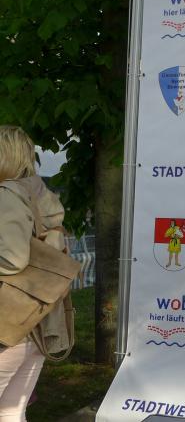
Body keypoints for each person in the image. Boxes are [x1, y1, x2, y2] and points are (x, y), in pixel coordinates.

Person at [0, 125, 71, 421]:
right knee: (12, 412)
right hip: (39, 324)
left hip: (9, 327)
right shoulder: (40, 195)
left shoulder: (7, 195)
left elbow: (13, 259)